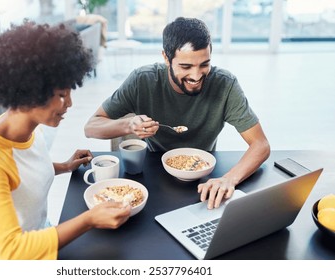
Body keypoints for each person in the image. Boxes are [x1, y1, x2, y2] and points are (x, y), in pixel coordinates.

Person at [0, 20, 131, 260]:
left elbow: (20, 176)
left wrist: (64, 166)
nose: (69, 103)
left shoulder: (27, 130)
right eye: (62, 95)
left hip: (44, 244)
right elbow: (11, 251)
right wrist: (88, 220)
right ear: (32, 91)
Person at [84, 17, 270, 209]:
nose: (197, 76)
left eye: (204, 64)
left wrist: (229, 179)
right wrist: (127, 125)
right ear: (166, 58)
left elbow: (261, 144)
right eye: (186, 67)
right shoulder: (142, 81)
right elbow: (91, 127)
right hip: (154, 177)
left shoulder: (225, 84)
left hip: (206, 180)